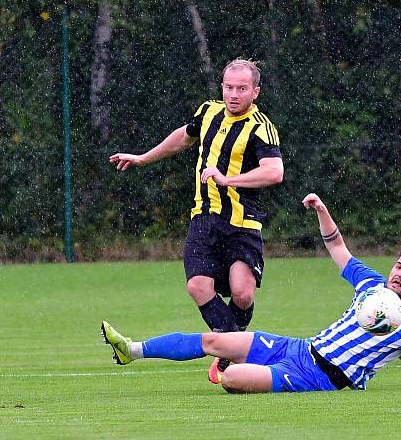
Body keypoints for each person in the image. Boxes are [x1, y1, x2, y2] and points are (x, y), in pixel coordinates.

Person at [100, 193, 401, 393]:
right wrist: (322, 210)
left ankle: (241, 374)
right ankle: (131, 350)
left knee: (231, 380)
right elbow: (337, 247)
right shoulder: (371, 284)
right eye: (398, 266)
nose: (398, 274)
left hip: (320, 379)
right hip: (298, 348)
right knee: (216, 340)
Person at [109, 58, 284, 382]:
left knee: (242, 294)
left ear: (255, 92)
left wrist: (227, 180)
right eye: (229, 87)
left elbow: (274, 172)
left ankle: (231, 353)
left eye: (241, 89)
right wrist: (143, 157)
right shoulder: (208, 113)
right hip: (204, 218)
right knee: (197, 285)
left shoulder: (261, 127)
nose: (233, 94)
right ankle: (239, 356)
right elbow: (184, 137)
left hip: (243, 223)